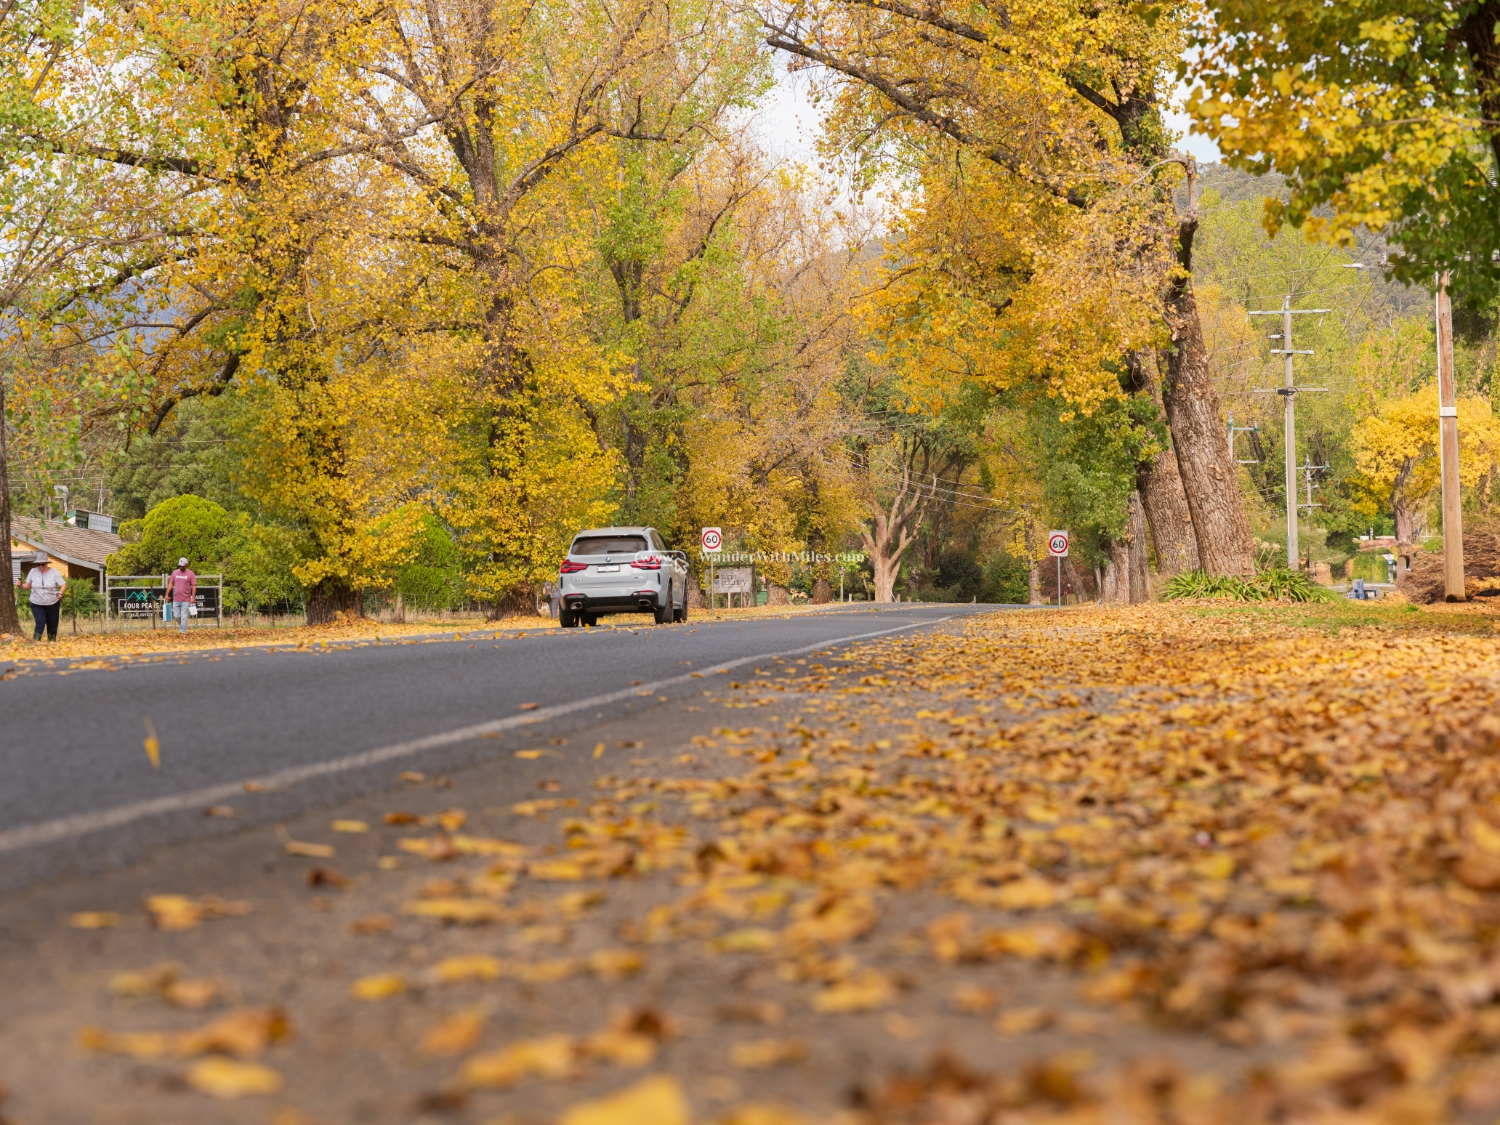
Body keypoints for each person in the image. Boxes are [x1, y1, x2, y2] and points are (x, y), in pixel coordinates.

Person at [17, 559, 66, 642]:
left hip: (52, 602)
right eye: (39, 564)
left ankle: (52, 641)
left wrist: (60, 593)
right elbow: (27, 586)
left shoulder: (54, 572)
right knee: (40, 622)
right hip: (36, 602)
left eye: (42, 564)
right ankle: (36, 641)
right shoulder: (33, 571)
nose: (40, 566)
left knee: (52, 623)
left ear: (46, 564)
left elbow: (63, 584)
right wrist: (21, 585)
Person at [167, 557, 197, 635]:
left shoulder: (190, 573)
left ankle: (182, 632)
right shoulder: (175, 573)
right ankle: (182, 626)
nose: (181, 567)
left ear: (186, 565)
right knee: (176, 616)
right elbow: (171, 584)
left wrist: (192, 597)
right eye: (180, 566)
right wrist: (167, 594)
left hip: (186, 599)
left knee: (184, 617)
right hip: (176, 599)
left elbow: (194, 585)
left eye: (182, 566)